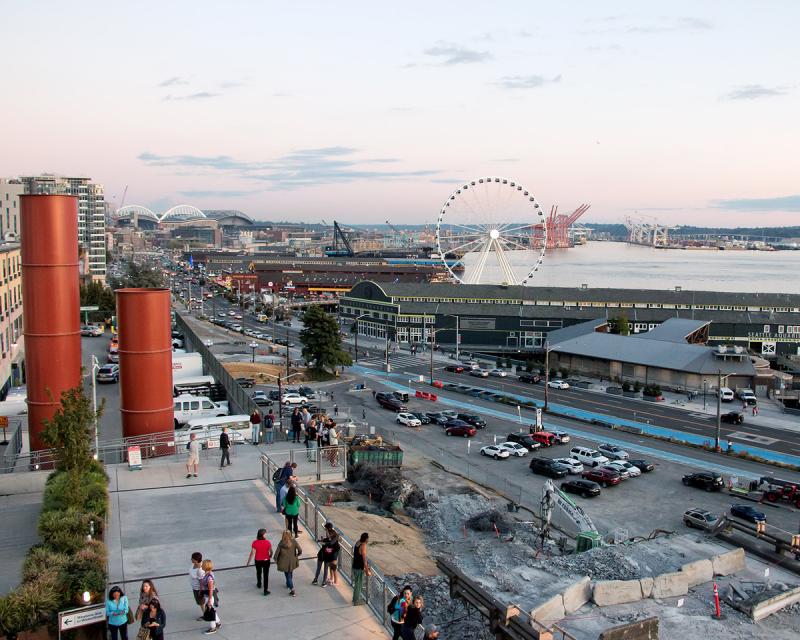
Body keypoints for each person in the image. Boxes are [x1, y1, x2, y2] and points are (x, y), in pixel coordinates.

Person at [273, 529, 302, 597]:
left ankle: (292, 589)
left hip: (283, 562)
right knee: (290, 572)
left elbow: (277, 553)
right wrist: (297, 555)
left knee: (287, 575)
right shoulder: (294, 541)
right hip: (292, 561)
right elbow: (300, 550)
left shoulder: (281, 542)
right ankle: (288, 584)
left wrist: (275, 559)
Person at [246, 528, 272, 595]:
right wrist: (270, 556)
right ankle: (265, 590)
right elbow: (271, 551)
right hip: (266, 560)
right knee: (266, 575)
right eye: (265, 533)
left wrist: (248, 562)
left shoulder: (255, 542)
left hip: (258, 560)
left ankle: (259, 583)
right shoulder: (268, 542)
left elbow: (252, 553)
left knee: (258, 572)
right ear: (263, 535)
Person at [200, 559, 221, 634]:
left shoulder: (209, 577)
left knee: (210, 611)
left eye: (203, 564)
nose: (201, 565)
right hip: (208, 595)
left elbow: (211, 589)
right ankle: (218, 623)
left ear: (206, 566)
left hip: (209, 596)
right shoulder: (208, 573)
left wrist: (209, 600)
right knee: (212, 610)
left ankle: (213, 628)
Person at [351, 532, 372, 605]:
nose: (368, 540)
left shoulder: (358, 542)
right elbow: (364, 559)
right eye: (368, 538)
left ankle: (355, 598)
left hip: (354, 566)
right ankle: (356, 601)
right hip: (359, 568)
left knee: (357, 583)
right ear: (366, 539)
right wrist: (367, 570)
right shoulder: (363, 546)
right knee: (358, 584)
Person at [189, 552, 206, 620]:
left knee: (201, 602)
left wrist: (201, 591)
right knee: (201, 603)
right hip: (195, 588)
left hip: (198, 589)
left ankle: (206, 615)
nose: (191, 559)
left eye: (192, 559)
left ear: (196, 560)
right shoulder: (194, 564)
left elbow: (201, 581)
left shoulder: (200, 570)